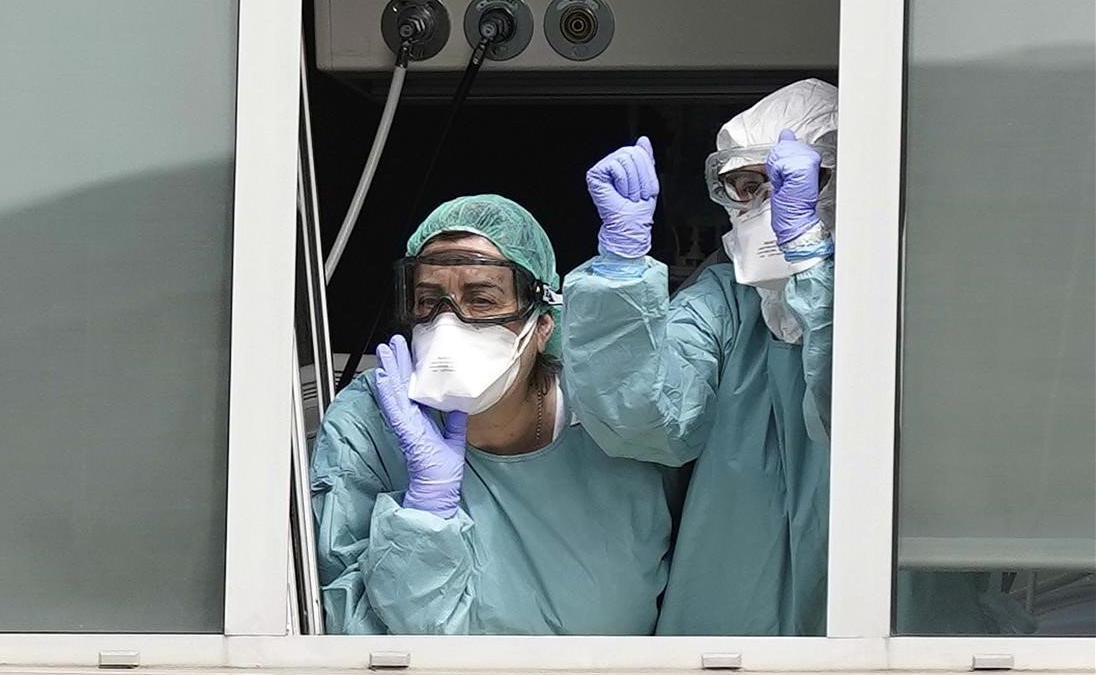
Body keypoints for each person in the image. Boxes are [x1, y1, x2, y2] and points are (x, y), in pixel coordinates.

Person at [562, 78, 1033, 636]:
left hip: (898, 619)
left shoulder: (920, 301)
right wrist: (620, 274)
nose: (768, 206)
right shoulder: (723, 304)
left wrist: (818, 272)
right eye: (746, 186)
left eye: (797, 186)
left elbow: (877, 427)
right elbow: (644, 425)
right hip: (736, 626)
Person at [311, 194, 677, 635]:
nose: (449, 323)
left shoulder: (610, 414)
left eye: (481, 300)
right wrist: (426, 514)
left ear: (542, 325)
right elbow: (358, 637)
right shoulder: (370, 422)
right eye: (428, 302)